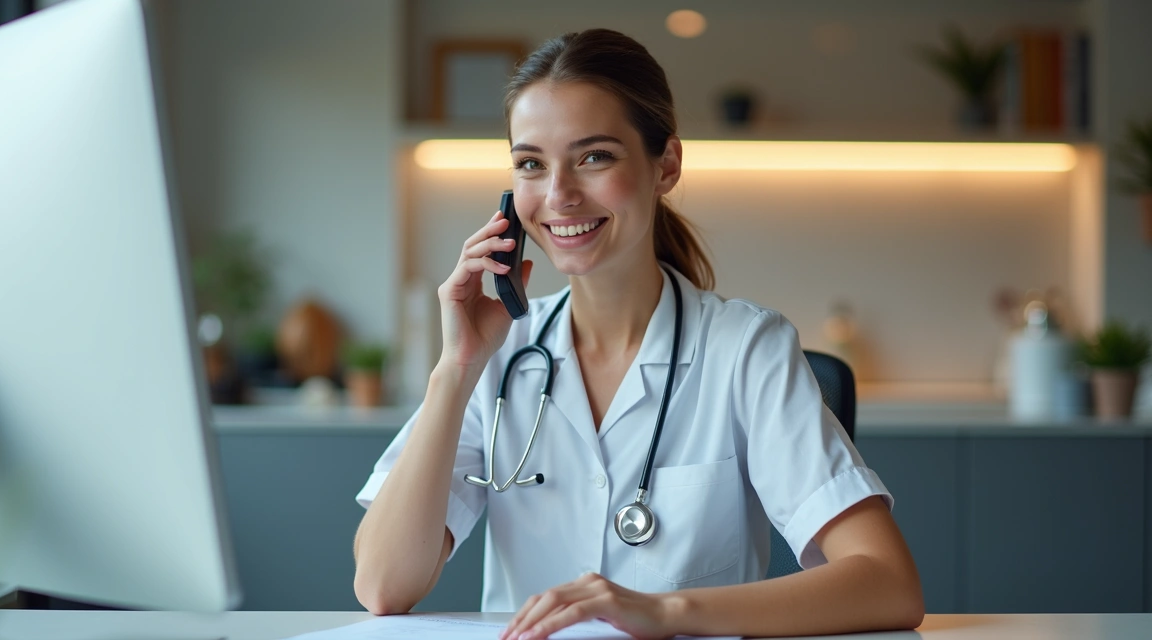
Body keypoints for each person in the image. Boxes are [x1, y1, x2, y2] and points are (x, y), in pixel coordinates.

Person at [353, 28, 924, 640]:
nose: (559, 195)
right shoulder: (500, 357)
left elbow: (887, 581)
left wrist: (665, 611)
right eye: (530, 164)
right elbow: (384, 586)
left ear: (666, 165)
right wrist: (455, 370)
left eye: (594, 156)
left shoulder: (744, 349)